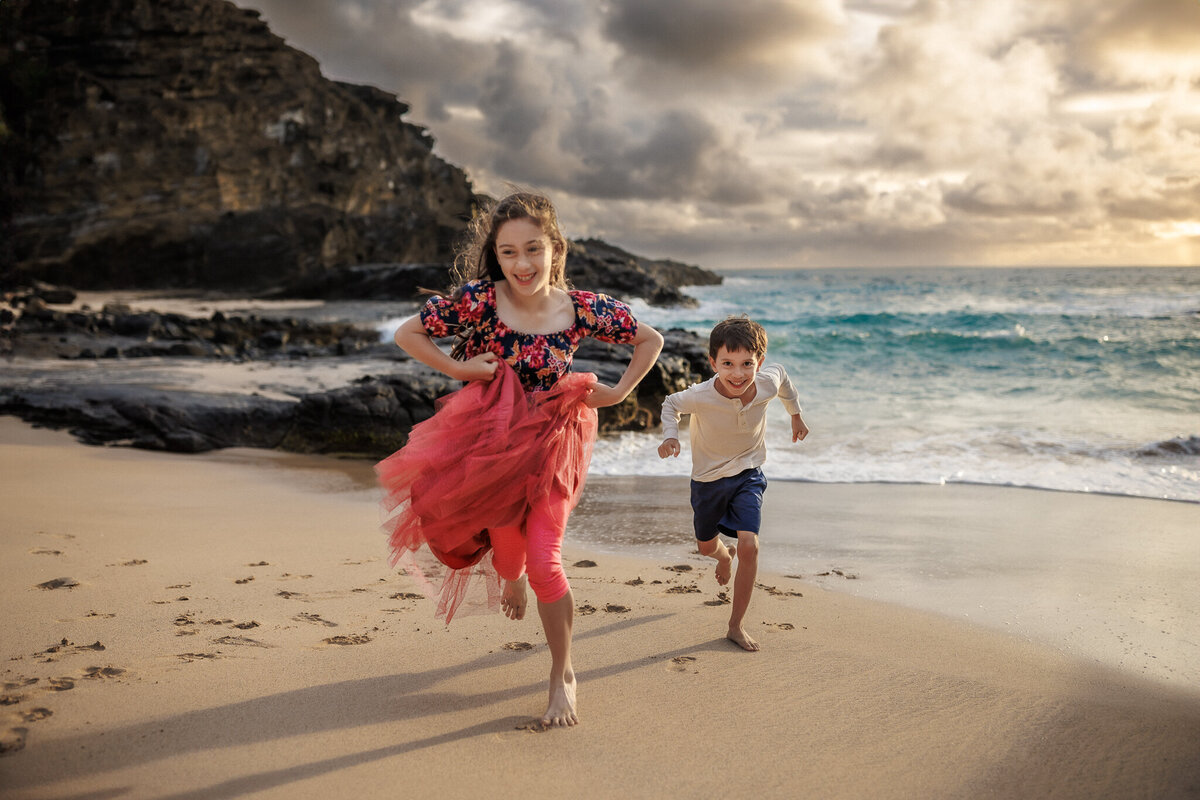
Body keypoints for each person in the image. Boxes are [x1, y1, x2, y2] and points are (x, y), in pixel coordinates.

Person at [377, 191, 663, 727]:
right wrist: (462, 371)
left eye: (534, 249)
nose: (523, 264)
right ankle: (510, 575)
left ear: (556, 248)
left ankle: (563, 676)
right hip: (493, 446)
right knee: (511, 558)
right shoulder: (481, 300)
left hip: (557, 440)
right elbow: (407, 333)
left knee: (546, 561)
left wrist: (622, 391)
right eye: (509, 253)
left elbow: (650, 339)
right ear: (496, 256)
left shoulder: (581, 307)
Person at [657, 315, 808, 651]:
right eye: (727, 363)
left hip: (748, 472)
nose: (737, 373)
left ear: (759, 362)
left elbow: (783, 378)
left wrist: (795, 413)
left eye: (746, 364)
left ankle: (735, 625)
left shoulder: (766, 381)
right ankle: (724, 558)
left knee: (751, 546)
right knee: (706, 547)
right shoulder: (701, 395)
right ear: (713, 362)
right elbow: (670, 404)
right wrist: (671, 437)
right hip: (708, 481)